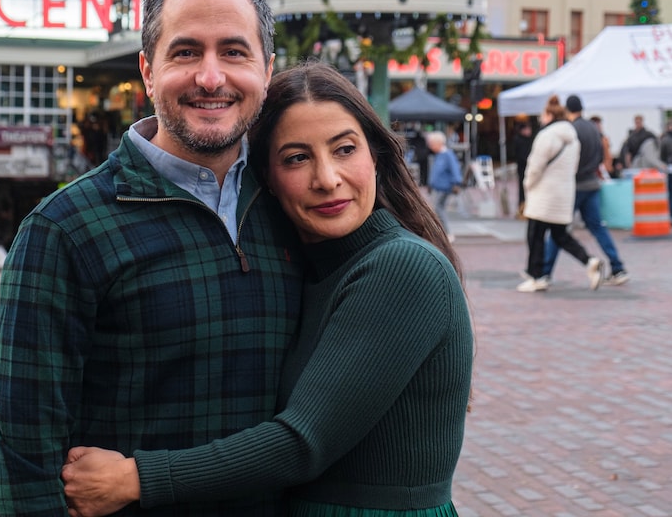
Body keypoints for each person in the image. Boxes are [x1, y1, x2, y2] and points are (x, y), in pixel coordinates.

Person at [60, 60, 473, 517]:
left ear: (375, 156)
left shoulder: (403, 266)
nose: (327, 179)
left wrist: (134, 477)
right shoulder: (308, 267)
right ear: (266, 179)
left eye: (344, 149)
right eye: (297, 158)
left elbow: (302, 443)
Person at [0, 0, 302, 517]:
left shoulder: (293, 205)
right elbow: (27, 452)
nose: (211, 77)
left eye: (234, 52)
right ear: (148, 72)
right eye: (185, 52)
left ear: (268, 69)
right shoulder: (64, 230)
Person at [518, 96, 602, 293]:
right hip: (563, 194)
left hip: (543, 194)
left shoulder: (546, 136)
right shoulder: (573, 138)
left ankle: (536, 276)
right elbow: (573, 167)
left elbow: (535, 167)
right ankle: (588, 260)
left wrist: (528, 185)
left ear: (549, 115)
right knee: (560, 235)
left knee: (535, 235)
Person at [543, 96, 629, 286]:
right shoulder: (593, 127)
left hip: (575, 185)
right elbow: (602, 154)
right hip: (592, 183)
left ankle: (545, 271)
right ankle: (617, 267)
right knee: (598, 227)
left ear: (567, 110)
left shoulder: (571, 130)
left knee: (558, 228)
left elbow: (568, 159)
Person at [426, 130, 462, 238]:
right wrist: (431, 184)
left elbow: (455, 170)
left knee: (438, 208)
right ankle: (443, 233)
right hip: (438, 187)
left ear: (439, 143)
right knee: (437, 209)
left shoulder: (447, 155)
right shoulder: (439, 155)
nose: (430, 146)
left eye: (432, 143)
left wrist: (456, 183)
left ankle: (447, 233)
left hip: (445, 187)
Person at [510, 116, 534, 216]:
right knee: (523, 188)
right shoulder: (520, 141)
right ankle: (522, 207)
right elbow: (522, 155)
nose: (529, 131)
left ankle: (524, 207)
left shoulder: (527, 140)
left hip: (525, 167)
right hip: (523, 168)